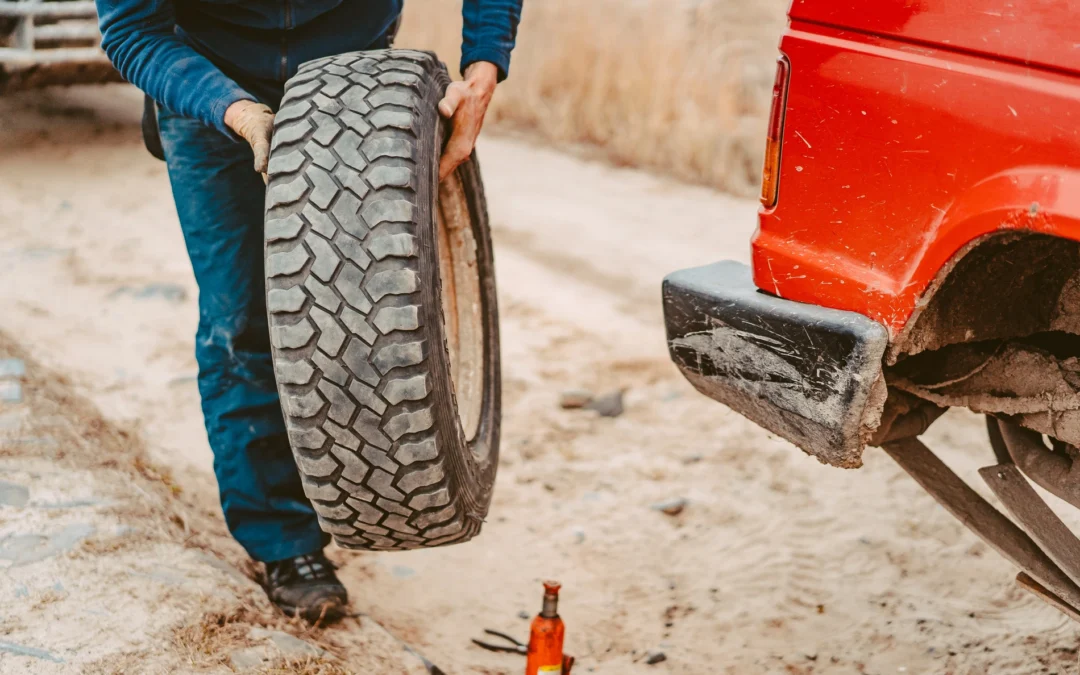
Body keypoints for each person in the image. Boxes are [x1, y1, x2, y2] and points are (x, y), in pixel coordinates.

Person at [93, 0, 522, 621]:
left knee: (370, 315)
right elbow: (132, 32)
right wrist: (235, 112)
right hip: (211, 81)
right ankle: (285, 543)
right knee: (240, 322)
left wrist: (484, 66)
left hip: (352, 76)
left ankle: (369, 483)